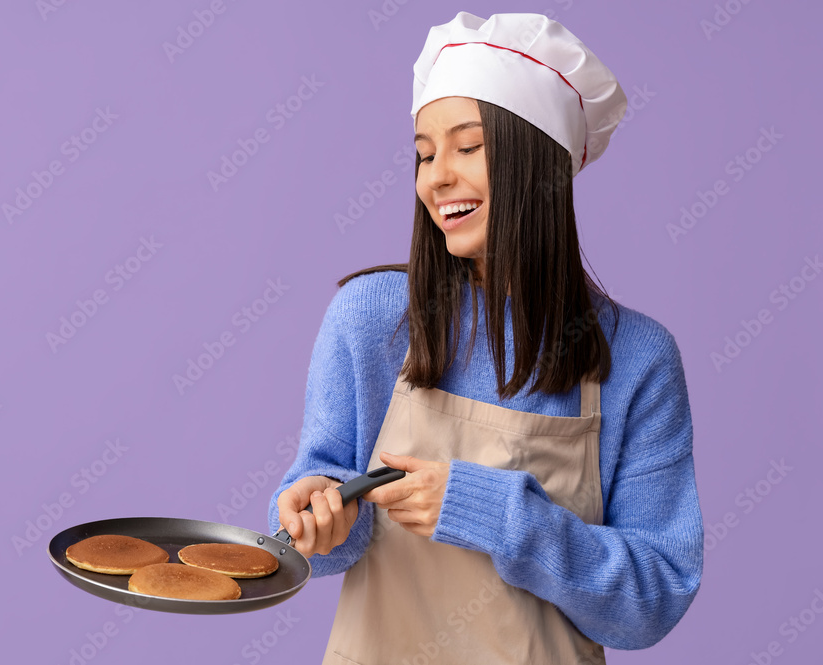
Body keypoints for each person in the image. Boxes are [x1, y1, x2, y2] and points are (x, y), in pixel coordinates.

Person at [268, 11, 703, 664]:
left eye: (467, 147)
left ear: (539, 165)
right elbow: (326, 530)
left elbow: (653, 600)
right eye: (423, 153)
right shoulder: (371, 318)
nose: (435, 177)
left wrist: (496, 512)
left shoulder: (636, 360)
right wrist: (321, 518)